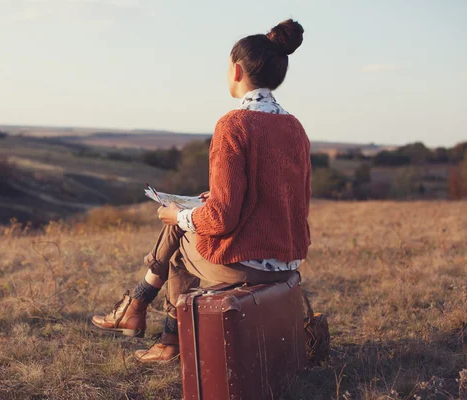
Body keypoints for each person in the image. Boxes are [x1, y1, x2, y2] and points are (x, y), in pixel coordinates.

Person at [91, 19, 311, 363]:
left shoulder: (233, 124)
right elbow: (280, 199)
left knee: (179, 235)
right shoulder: (294, 127)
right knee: (186, 223)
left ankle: (156, 328)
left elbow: (222, 219)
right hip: (287, 261)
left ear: (236, 71)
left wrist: (177, 214)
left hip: (247, 267)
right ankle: (141, 313)